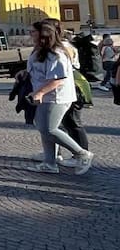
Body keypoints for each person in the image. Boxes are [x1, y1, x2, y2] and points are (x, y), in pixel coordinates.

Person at [26, 20, 92, 175]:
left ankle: (82, 153)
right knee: (44, 129)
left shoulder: (56, 53)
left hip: (57, 97)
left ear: (43, 34)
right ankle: (50, 163)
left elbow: (58, 79)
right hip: (45, 96)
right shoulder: (40, 50)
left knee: (49, 129)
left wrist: (41, 92)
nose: (30, 34)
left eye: (33, 31)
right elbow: (36, 69)